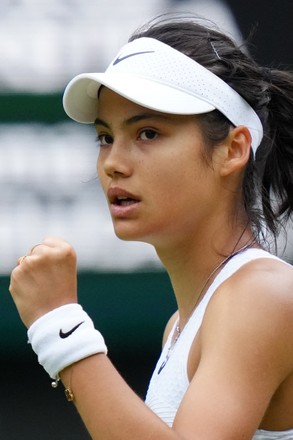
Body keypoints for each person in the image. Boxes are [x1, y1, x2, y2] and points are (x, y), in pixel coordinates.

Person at [9, 14, 293, 440]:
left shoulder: (261, 295)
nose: (114, 163)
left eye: (147, 133)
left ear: (233, 150)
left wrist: (59, 326)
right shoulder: (181, 325)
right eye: (105, 137)